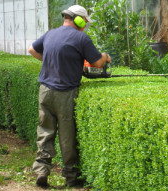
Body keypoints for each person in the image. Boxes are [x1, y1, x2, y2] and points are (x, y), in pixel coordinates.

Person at [28, 5, 111, 188]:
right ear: (79, 20)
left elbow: (32, 50)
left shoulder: (50, 34)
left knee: (45, 131)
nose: (85, 26)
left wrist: (53, 60)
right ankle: (71, 178)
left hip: (45, 91)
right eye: (85, 22)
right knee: (67, 137)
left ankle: (41, 171)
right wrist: (105, 56)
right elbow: (97, 62)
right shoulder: (81, 37)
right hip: (65, 93)